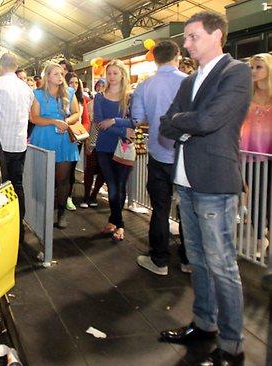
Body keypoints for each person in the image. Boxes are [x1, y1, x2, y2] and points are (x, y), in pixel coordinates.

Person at [159, 11, 252, 365]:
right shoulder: (189, 80)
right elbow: (165, 125)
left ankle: (232, 345)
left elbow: (211, 120)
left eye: (193, 36)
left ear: (216, 36)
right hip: (186, 182)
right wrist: (185, 124)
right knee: (197, 259)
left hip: (213, 182)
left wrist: (182, 123)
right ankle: (204, 323)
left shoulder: (236, 73)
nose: (186, 43)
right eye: (186, 37)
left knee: (222, 265)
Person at [131, 40, 191, 276]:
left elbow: (137, 119)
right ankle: (188, 260)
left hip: (158, 154)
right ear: (177, 55)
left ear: (154, 58)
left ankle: (159, 260)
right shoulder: (188, 81)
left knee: (160, 208)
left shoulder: (145, 86)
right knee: (187, 210)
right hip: (186, 156)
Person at [0, 53, 34, 240]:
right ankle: (19, 224)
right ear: (16, 66)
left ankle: (3, 225)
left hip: (1, 144)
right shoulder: (26, 88)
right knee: (17, 184)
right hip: (20, 144)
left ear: (0, 66)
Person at [29, 63, 80, 228]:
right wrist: (53, 121)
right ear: (47, 76)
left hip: (64, 138)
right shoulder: (37, 94)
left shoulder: (70, 92)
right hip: (44, 137)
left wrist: (65, 122)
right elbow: (34, 118)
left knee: (63, 179)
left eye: (61, 73)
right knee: (44, 177)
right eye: (56, 74)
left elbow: (76, 113)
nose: (60, 76)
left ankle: (62, 212)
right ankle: (43, 211)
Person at [93, 59, 136, 242]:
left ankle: (114, 221)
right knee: (112, 186)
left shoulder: (130, 97)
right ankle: (120, 225)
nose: (111, 77)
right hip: (104, 147)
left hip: (124, 148)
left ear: (122, 75)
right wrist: (121, 128)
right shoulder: (99, 98)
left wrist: (114, 121)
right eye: (109, 73)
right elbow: (99, 122)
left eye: (115, 73)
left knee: (120, 186)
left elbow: (135, 120)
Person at [240, 53, 272, 257]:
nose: (254, 71)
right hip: (250, 153)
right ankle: (260, 238)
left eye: (258, 67)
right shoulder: (246, 95)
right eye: (252, 67)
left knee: (268, 197)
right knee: (255, 196)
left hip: (269, 152)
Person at [65, 72, 91, 211]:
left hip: (77, 139)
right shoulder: (61, 98)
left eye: (76, 83)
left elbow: (86, 120)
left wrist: (80, 135)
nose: (74, 85)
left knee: (71, 169)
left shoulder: (82, 101)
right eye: (71, 83)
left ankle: (68, 197)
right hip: (63, 136)